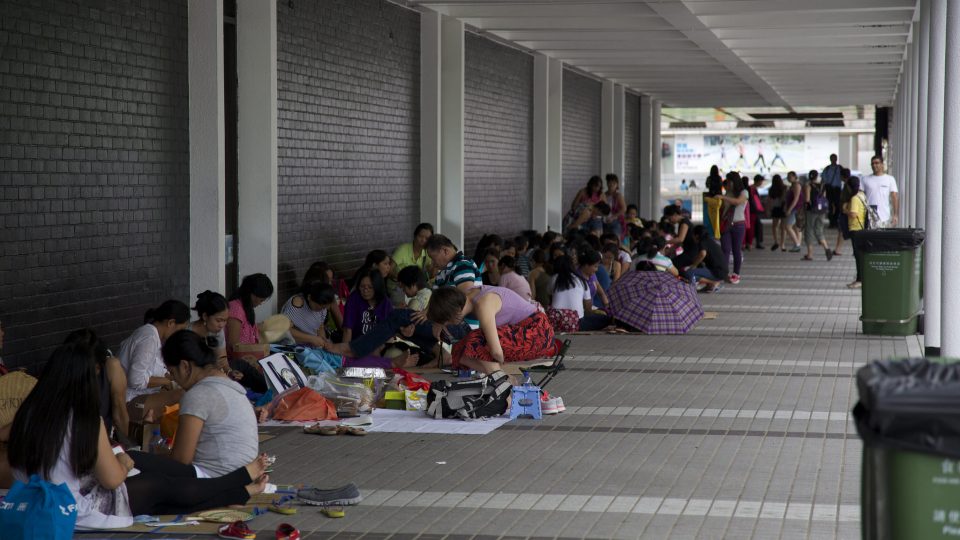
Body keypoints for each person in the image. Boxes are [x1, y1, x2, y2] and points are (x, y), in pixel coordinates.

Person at [2, 343, 269, 529]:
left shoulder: (28, 414)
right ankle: (240, 481)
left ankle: (242, 490)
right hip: (74, 510)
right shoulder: (84, 420)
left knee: (159, 499)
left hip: (34, 503)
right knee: (159, 485)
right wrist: (124, 463)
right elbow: (112, 479)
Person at [161, 330, 259, 478]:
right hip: (246, 477)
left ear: (185, 366)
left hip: (216, 482)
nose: (175, 380)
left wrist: (158, 454)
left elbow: (181, 461)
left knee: (140, 463)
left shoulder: (198, 394)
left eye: (173, 373)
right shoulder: (233, 388)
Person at [426, 286, 555, 375]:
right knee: (459, 350)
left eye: (446, 323)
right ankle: (502, 379)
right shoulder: (470, 295)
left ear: (452, 314)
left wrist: (498, 365)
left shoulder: (483, 305)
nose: (447, 326)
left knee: (477, 340)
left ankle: (502, 384)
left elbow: (496, 352)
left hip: (539, 333)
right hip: (529, 331)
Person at [118, 300, 190, 405]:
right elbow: (135, 380)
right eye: (180, 330)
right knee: (182, 395)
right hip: (129, 400)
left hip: (141, 396)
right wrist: (167, 382)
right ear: (171, 323)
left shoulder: (154, 337)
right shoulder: (149, 338)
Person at [64, 329, 129, 442]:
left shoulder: (111, 367)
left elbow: (119, 415)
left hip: (99, 444)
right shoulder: (63, 375)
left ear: (98, 367)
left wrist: (127, 447)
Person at [226, 273, 274, 393]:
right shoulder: (236, 309)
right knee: (267, 384)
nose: (262, 302)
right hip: (237, 363)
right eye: (261, 298)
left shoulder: (246, 307)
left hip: (249, 360)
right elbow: (234, 345)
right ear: (251, 293)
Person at [547, 255, 611, 332]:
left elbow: (550, 299)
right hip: (576, 323)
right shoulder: (580, 280)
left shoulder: (553, 279)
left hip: (555, 323)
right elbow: (588, 307)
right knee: (605, 319)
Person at [342, 271, 393, 346]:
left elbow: (389, 330)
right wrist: (344, 354)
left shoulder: (385, 302)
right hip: (357, 346)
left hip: (379, 345)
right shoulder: (354, 299)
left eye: (370, 287)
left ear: (377, 287)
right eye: (362, 286)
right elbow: (347, 330)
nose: (365, 291)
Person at [281, 280, 338, 348]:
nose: (322, 310)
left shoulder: (323, 308)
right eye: (318, 307)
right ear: (309, 297)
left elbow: (320, 326)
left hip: (311, 346)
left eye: (324, 308)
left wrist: (323, 339)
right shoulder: (297, 304)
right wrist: (311, 339)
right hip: (293, 345)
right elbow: (284, 329)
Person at [717, 171, 748, 284]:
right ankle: (724, 273)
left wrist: (723, 197)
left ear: (734, 181)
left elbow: (738, 202)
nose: (728, 184)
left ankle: (736, 274)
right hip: (726, 224)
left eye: (729, 181)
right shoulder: (728, 192)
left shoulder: (744, 192)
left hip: (738, 225)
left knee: (736, 250)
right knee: (725, 249)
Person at [188, 290, 230, 372]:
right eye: (218, 320)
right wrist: (212, 366)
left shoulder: (218, 332)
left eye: (225, 320)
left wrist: (230, 372)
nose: (222, 325)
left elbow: (223, 360)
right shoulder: (187, 333)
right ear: (205, 316)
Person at [683, 225, 729, 292]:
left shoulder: (702, 242)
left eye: (692, 235)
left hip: (717, 272)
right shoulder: (710, 241)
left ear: (697, 235)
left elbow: (702, 254)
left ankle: (713, 283)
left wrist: (694, 265)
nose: (692, 237)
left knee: (688, 273)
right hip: (722, 271)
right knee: (694, 272)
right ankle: (710, 284)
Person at [802, 170, 833, 262]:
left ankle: (810, 254)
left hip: (811, 211)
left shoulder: (808, 186)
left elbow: (807, 200)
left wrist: (803, 211)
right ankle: (826, 248)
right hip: (822, 211)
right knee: (819, 230)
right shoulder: (822, 186)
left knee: (809, 230)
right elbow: (824, 198)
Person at [862, 155, 900, 228]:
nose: (874, 165)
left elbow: (894, 197)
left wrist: (895, 215)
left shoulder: (890, 179)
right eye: (872, 163)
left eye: (877, 163)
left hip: (885, 217)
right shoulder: (865, 179)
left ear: (882, 164)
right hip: (870, 217)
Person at [844, 177, 868, 289]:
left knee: (858, 255)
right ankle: (861, 278)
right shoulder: (862, 195)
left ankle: (860, 280)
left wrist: (845, 210)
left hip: (856, 229)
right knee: (860, 255)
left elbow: (853, 214)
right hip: (862, 228)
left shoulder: (854, 198)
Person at [782, 171, 804, 252]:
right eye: (787, 176)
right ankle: (798, 244)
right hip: (795, 208)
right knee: (796, 227)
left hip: (795, 209)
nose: (788, 178)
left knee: (787, 226)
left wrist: (789, 209)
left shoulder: (796, 185)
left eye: (790, 176)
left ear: (795, 177)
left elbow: (796, 199)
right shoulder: (792, 185)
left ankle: (797, 244)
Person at [822, 154, 844, 228]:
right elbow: (823, 180)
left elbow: (844, 177)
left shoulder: (840, 168)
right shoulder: (827, 169)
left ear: (836, 159)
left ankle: (836, 221)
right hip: (830, 189)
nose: (833, 160)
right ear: (830, 159)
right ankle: (832, 222)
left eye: (835, 158)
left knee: (838, 206)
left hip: (837, 189)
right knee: (830, 207)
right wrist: (822, 191)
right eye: (832, 158)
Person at [604, 173, 627, 239]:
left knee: (615, 238)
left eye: (613, 183)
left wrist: (613, 217)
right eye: (609, 183)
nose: (611, 185)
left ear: (617, 184)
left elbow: (624, 209)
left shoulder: (618, 196)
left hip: (616, 221)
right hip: (605, 221)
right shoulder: (604, 195)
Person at [767, 174, 787, 251]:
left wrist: (768, 209)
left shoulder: (771, 189)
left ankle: (776, 241)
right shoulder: (784, 187)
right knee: (783, 227)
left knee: (775, 226)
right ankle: (783, 244)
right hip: (783, 208)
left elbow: (769, 200)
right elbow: (784, 198)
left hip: (775, 208)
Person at [747, 175, 765, 250]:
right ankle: (753, 243)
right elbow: (753, 201)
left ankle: (756, 242)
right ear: (758, 181)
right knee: (755, 226)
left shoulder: (753, 188)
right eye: (761, 181)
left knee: (757, 226)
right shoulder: (751, 189)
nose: (762, 183)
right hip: (753, 210)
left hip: (754, 210)